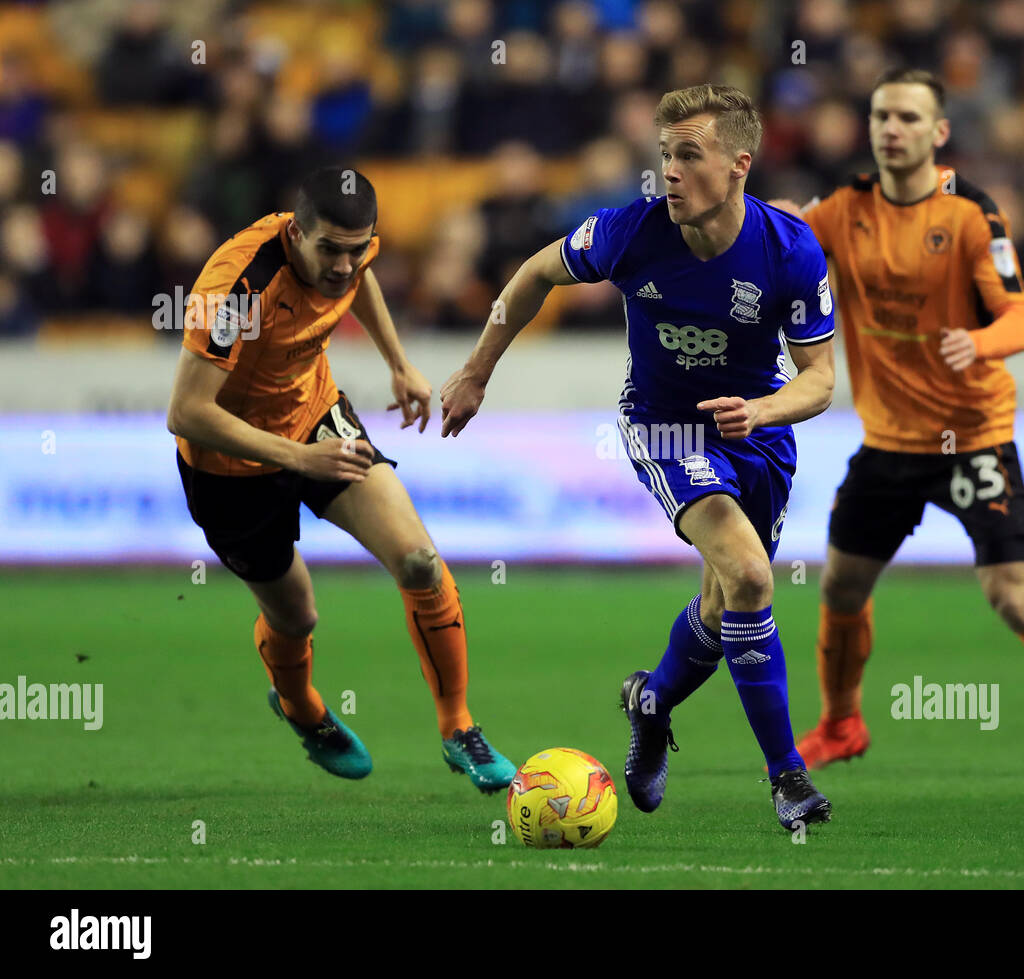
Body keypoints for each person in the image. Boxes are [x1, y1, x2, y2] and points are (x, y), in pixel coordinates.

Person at [441, 85, 838, 830]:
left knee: (726, 610)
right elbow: (533, 275)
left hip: (757, 432)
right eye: (664, 156)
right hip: (665, 428)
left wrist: (761, 410)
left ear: (739, 165)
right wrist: (476, 371)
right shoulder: (629, 232)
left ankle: (650, 702)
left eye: (689, 155)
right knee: (752, 576)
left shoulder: (791, 250)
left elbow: (819, 379)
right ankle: (787, 777)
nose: (670, 174)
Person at [770, 69, 1024, 779]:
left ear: (939, 133)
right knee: (841, 586)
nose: (893, 129)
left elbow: (1021, 318)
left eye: (910, 118)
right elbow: (786, 240)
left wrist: (974, 342)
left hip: (972, 434)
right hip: (889, 441)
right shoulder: (843, 209)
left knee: (1011, 597)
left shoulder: (972, 213)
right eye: (882, 114)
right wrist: (775, 220)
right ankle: (840, 723)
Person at [166, 166, 515, 790]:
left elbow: (362, 279)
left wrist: (399, 363)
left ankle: (459, 727)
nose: (344, 265)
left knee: (419, 562)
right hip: (228, 467)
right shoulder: (238, 288)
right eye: (330, 249)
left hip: (316, 416)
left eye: (358, 249)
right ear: (296, 233)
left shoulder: (351, 252)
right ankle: (303, 710)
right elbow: (187, 412)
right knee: (297, 617)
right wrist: (297, 460)